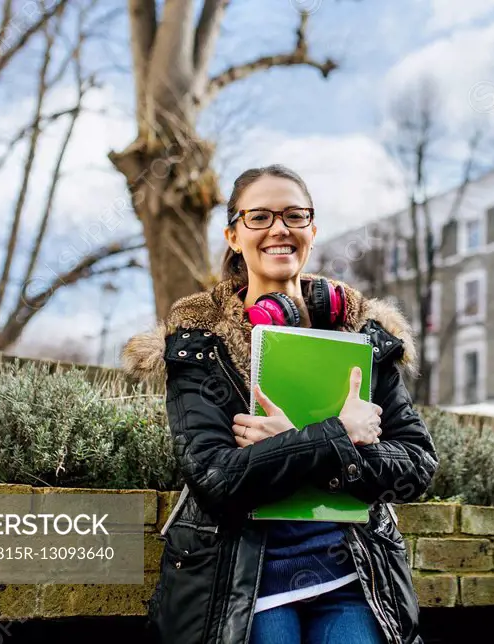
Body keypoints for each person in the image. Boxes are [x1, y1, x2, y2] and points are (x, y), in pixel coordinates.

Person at [123, 164, 438, 644]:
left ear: (312, 230)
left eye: (294, 215)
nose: (279, 229)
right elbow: (216, 478)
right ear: (233, 235)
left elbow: (417, 465)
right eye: (259, 217)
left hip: (353, 578)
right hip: (245, 583)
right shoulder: (198, 344)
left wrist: (291, 444)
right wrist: (336, 434)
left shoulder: (365, 338)